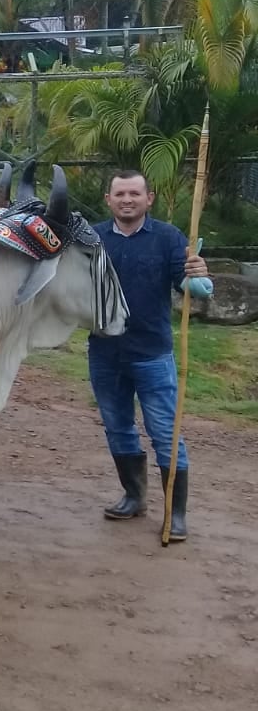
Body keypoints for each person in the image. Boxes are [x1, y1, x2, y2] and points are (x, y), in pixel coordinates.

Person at [89, 169, 210, 542]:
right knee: (118, 427)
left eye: (135, 194)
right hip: (105, 353)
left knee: (165, 433)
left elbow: (190, 286)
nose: (127, 200)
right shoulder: (92, 239)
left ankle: (175, 513)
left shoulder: (168, 238)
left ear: (149, 199)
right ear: (108, 200)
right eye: (120, 194)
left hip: (152, 354)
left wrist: (199, 276)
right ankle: (134, 496)